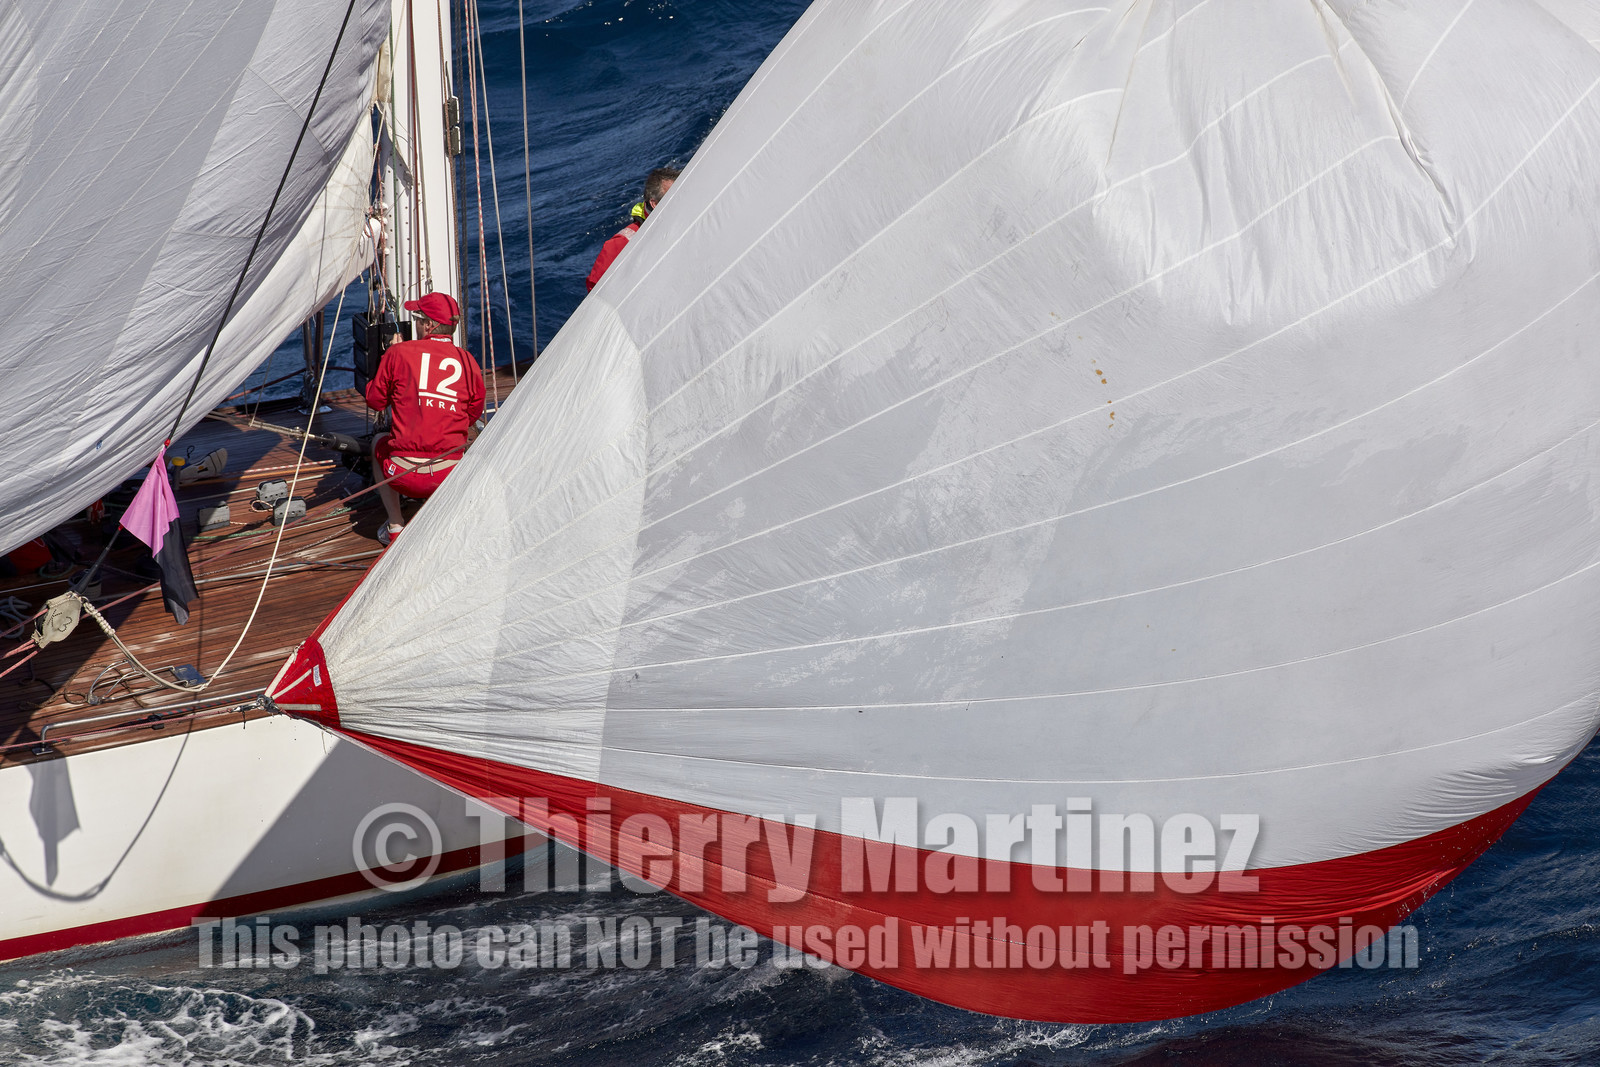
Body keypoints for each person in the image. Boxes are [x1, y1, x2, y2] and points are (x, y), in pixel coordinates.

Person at [364, 292, 485, 546]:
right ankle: (439, 523)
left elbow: (375, 400)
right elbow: (473, 413)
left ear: (428, 325)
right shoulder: (468, 361)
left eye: (418, 318)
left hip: (403, 475)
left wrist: (389, 359)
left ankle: (396, 525)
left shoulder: (399, 354)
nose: (416, 323)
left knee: (378, 442)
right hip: (448, 475)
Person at [585, 166, 679, 291]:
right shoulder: (624, 241)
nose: (680, 202)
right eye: (674, 198)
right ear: (654, 204)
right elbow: (595, 288)